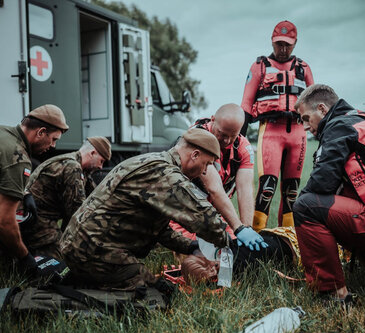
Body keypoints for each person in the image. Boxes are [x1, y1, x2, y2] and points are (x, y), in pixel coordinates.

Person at [60, 128, 233, 292]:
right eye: (206, 164)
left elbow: (157, 229)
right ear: (195, 155)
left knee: (155, 283)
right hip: (92, 250)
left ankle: (84, 277)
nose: (204, 171)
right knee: (147, 292)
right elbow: (203, 218)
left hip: (84, 244)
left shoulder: (153, 161)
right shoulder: (165, 174)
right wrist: (230, 243)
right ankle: (84, 283)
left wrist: (190, 246)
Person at [293, 84, 365, 303]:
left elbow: (321, 183)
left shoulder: (338, 126)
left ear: (323, 109)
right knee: (344, 197)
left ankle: (332, 293)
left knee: (306, 206)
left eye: (307, 118)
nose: (306, 127)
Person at [241, 20, 314, 231]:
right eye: (278, 44)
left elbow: (316, 104)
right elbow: (246, 103)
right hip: (270, 131)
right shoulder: (259, 66)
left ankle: (287, 240)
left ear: (295, 43)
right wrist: (241, 137)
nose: (282, 49)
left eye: (287, 45)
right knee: (267, 188)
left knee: (292, 191)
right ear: (272, 42)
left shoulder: (304, 68)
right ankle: (256, 237)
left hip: (298, 134)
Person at [170, 103, 267, 251]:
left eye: (232, 136)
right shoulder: (197, 138)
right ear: (212, 119)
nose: (226, 141)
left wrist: (245, 227)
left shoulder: (243, 147)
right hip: (183, 211)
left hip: (211, 213)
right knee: (200, 251)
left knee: (232, 245)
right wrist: (238, 228)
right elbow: (214, 189)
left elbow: (245, 190)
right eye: (222, 134)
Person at [0, 104, 68, 274]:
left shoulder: (4, 133)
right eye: (53, 139)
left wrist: (25, 193)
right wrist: (25, 258)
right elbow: (4, 222)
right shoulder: (19, 158)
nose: (53, 146)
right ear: (40, 132)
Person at [21, 137, 112, 260]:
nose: (101, 167)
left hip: (39, 217)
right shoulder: (72, 167)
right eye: (101, 161)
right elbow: (77, 212)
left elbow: (95, 197)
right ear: (92, 153)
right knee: (62, 260)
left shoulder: (78, 167)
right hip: (36, 219)